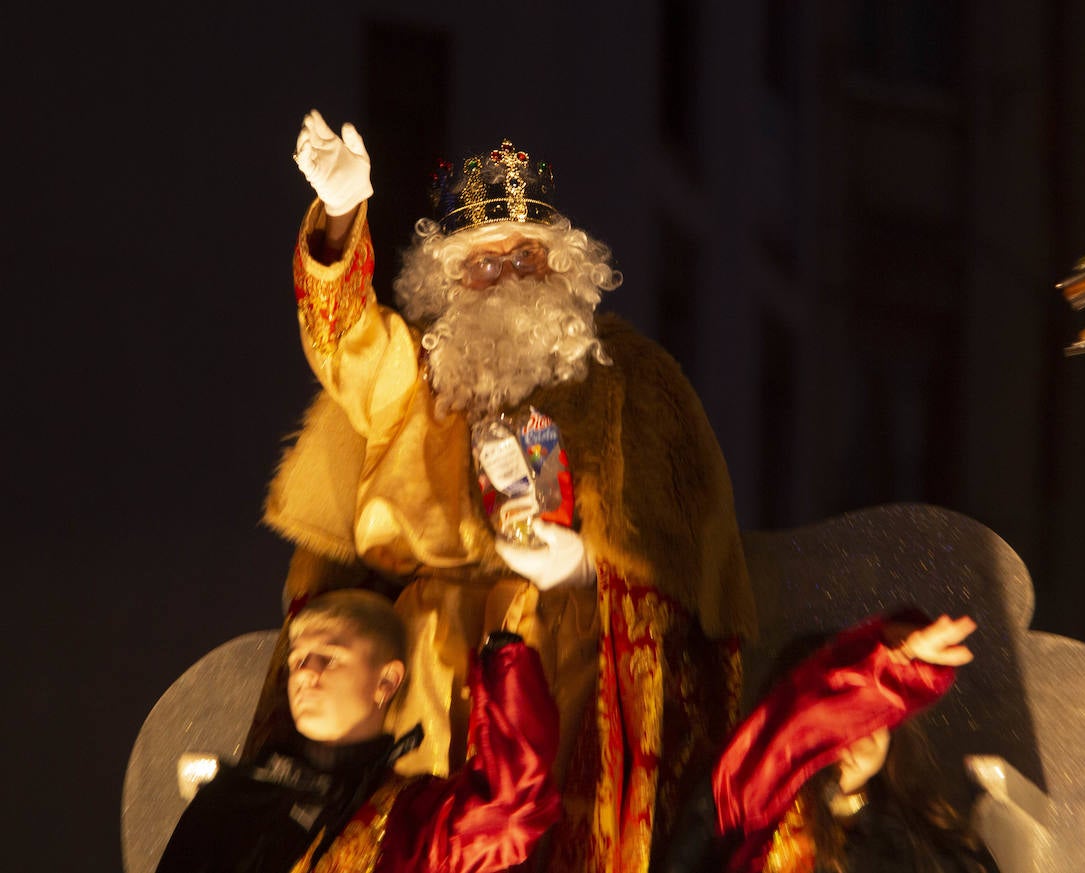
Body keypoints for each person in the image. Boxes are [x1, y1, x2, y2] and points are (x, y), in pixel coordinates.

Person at [250, 110, 757, 873]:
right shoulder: (416, 373)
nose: (505, 277)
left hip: (574, 642)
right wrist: (343, 214)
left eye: (526, 257)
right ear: (446, 282)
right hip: (428, 650)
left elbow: (690, 558)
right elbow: (345, 343)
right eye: (480, 264)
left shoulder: (634, 383)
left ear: (565, 270)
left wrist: (588, 568)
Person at [156, 589, 560, 873]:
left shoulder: (409, 819)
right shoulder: (231, 798)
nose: (306, 675)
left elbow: (511, 812)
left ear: (386, 682)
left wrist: (506, 661)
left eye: (328, 659)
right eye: (297, 661)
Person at [658, 610, 996, 873]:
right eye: (838, 718)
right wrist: (891, 667)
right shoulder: (747, 811)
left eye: (867, 715)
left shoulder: (933, 847)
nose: (850, 735)